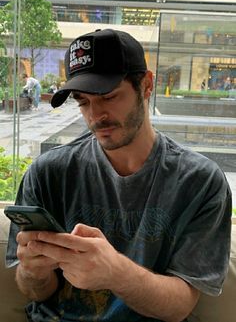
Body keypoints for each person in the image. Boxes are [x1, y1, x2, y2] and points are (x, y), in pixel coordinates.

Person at [7, 29, 232, 322]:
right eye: (83, 101)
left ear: (146, 85)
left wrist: (115, 272)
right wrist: (32, 271)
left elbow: (179, 307)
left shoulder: (199, 182)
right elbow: (36, 292)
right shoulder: (48, 173)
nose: (94, 115)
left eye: (108, 96)